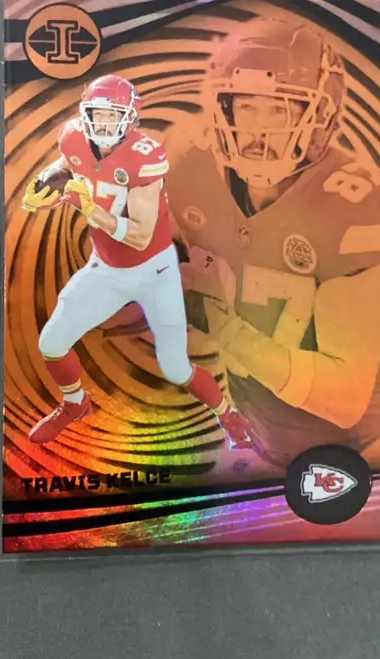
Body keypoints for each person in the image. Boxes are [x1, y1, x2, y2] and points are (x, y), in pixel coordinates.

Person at [149, 17, 380, 470]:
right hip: (253, 431)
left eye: (280, 110)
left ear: (318, 117)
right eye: (247, 107)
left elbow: (345, 398)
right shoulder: (189, 163)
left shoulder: (353, 206)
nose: (259, 131)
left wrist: (225, 329)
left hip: (358, 452)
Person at [19, 73, 254, 449]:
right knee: (51, 342)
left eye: (112, 116)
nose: (103, 124)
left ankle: (226, 412)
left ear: (129, 118)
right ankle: (75, 404)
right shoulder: (74, 135)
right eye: (97, 115)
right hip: (107, 268)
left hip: (154, 271)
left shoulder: (145, 156)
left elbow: (140, 235)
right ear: (85, 114)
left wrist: (86, 206)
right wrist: (49, 178)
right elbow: (68, 161)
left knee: (175, 368)